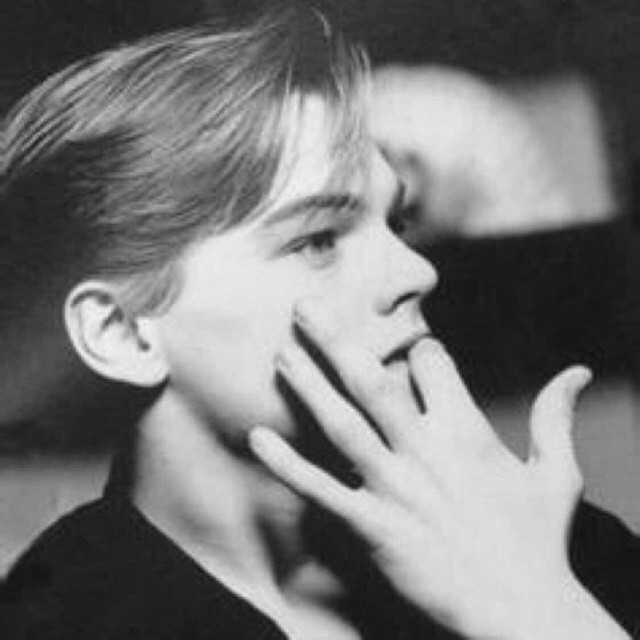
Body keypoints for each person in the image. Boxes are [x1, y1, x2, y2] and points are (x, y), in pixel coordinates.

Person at [1, 2, 638, 638]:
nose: (418, 272)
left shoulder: (523, 537)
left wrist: (540, 607)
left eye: (397, 222)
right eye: (319, 240)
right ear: (119, 332)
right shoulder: (57, 623)